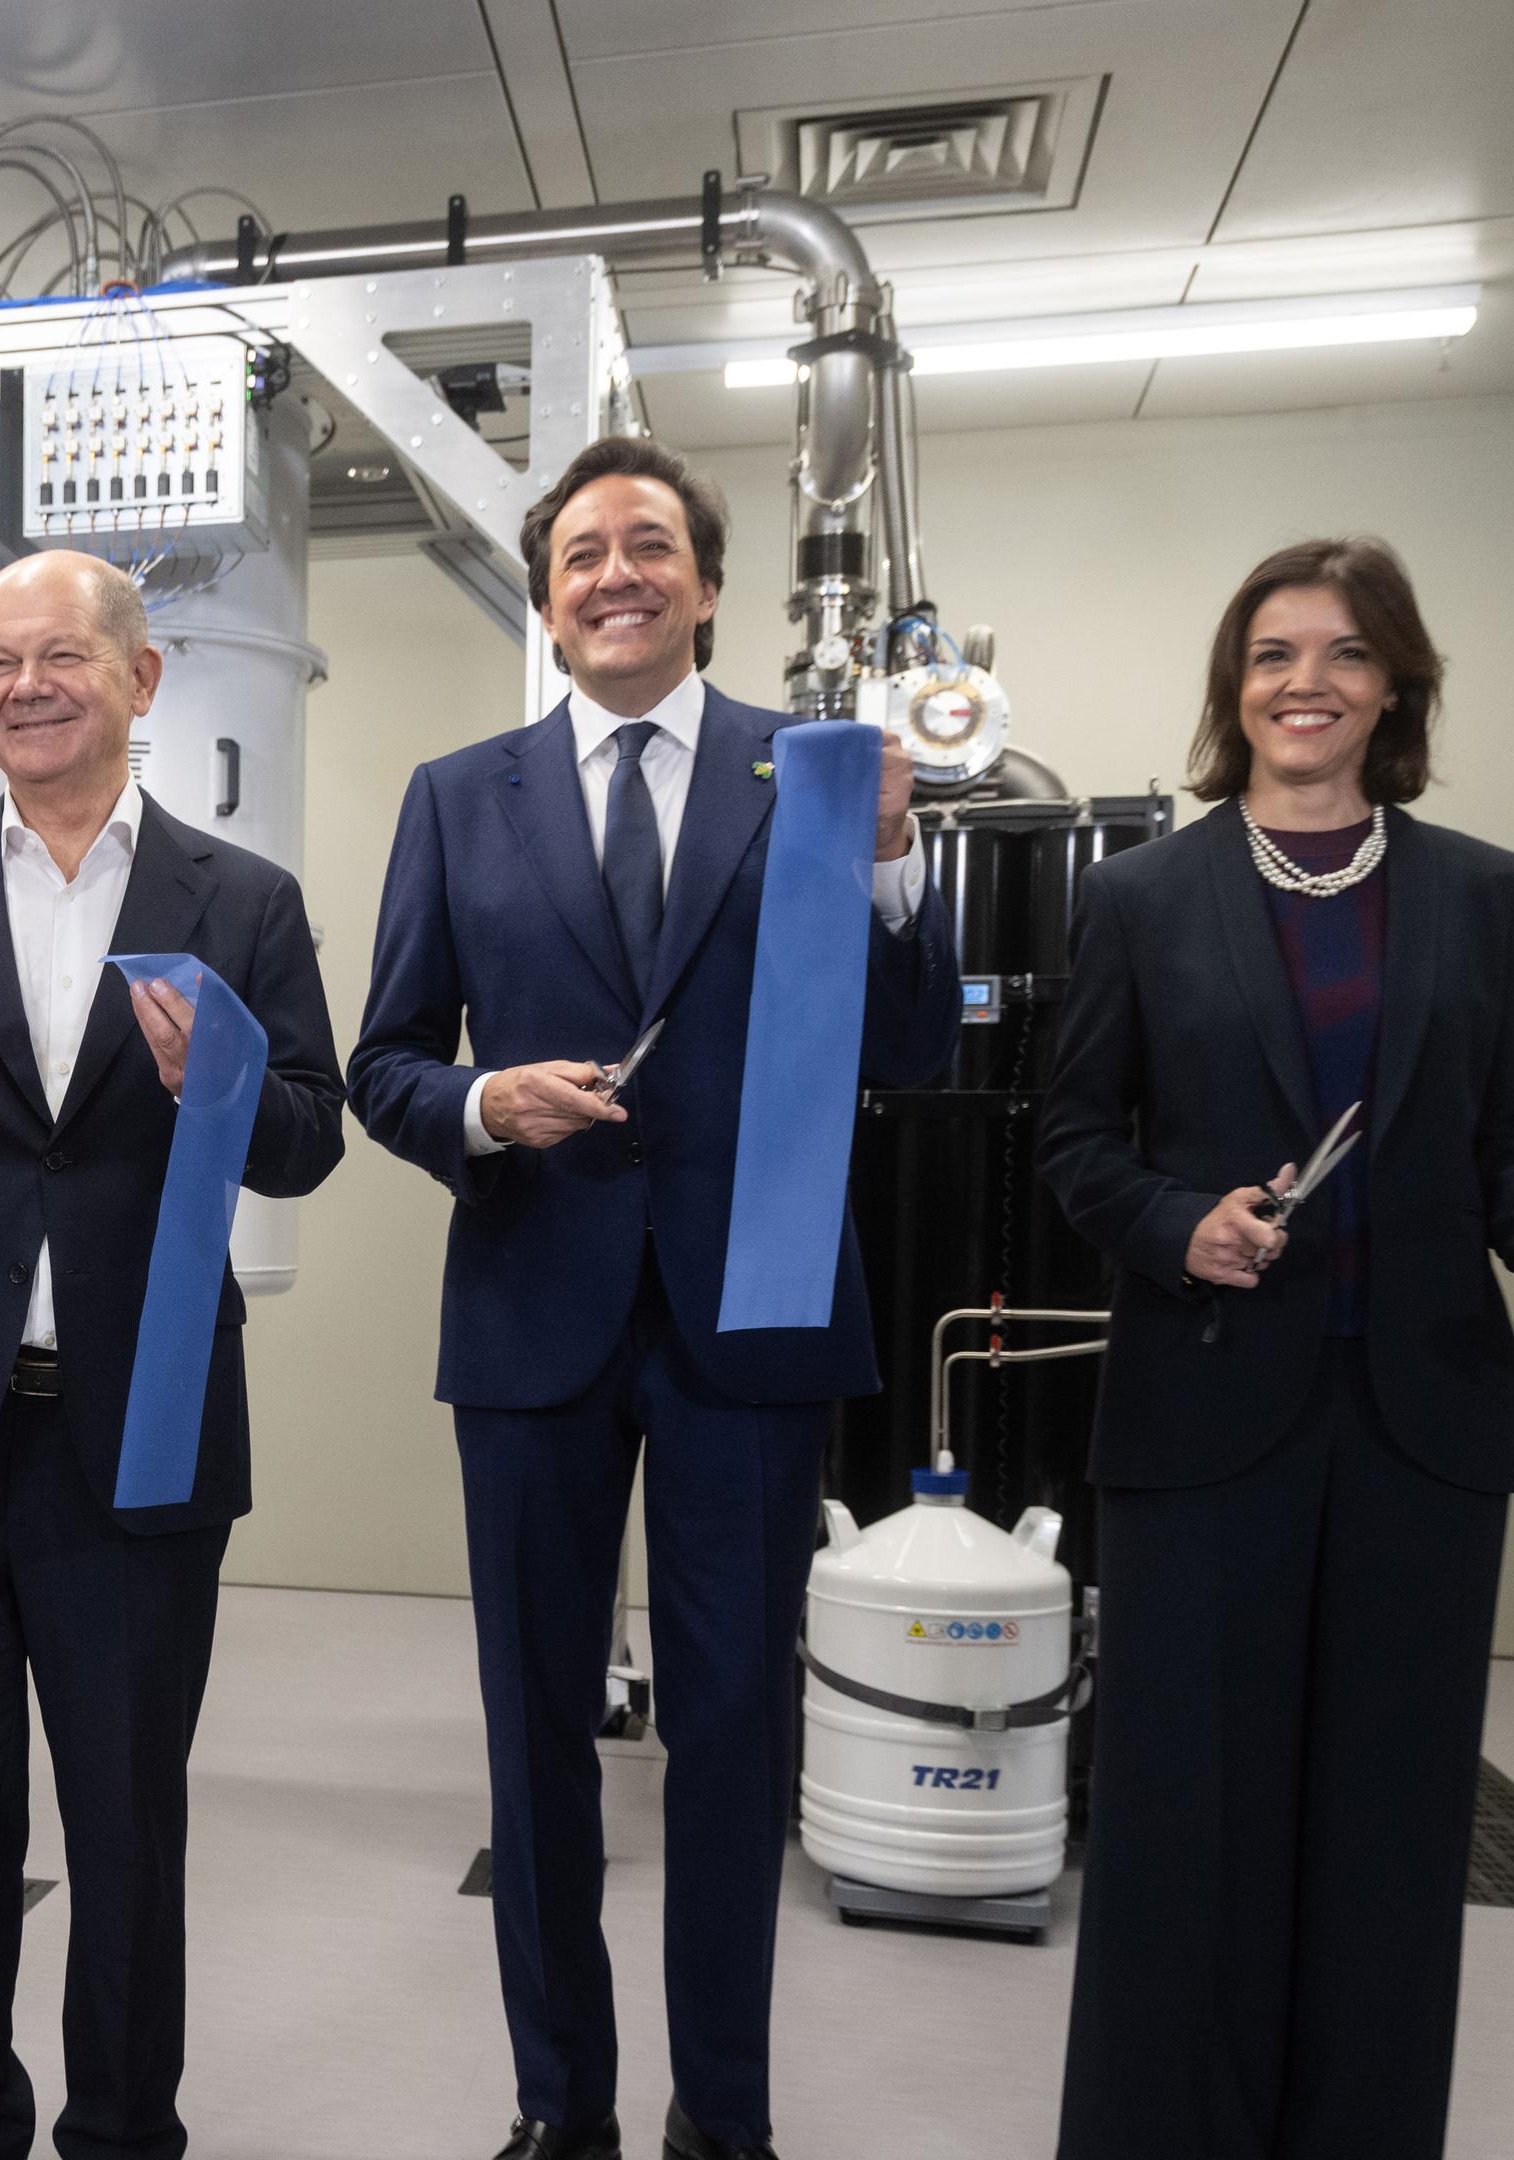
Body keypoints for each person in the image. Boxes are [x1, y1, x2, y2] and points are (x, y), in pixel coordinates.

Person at [347, 437, 958, 2160]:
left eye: (649, 547)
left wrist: (900, 866)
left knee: (732, 1740)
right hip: (533, 1319)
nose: (613, 574)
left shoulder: (813, 775)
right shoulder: (462, 797)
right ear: (544, 604)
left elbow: (908, 1056)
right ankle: (562, 2114)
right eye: (579, 556)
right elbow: (382, 1063)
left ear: (704, 583)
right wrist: (485, 1105)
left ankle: (726, 2123)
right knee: (534, 1744)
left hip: (746, 1329)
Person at [1037, 537, 1514, 2160]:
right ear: (1236, 690)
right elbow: (1078, 1141)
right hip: (1205, 1415)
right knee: (1187, 1825)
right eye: (1275, 654)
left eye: (1347, 654)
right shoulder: (1142, 894)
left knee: (1390, 1826)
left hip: (1419, 1427)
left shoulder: (1477, 889)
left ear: (1398, 687)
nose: (1308, 683)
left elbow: (1503, 1132)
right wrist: (1180, 1227)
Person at [0, 549, 346, 2160]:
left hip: (143, 1429)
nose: (25, 686)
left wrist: (213, 1084)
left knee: (123, 1825)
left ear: (140, 679)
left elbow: (308, 1143)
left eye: (61, 659)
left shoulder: (242, 902)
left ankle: (121, 2134)